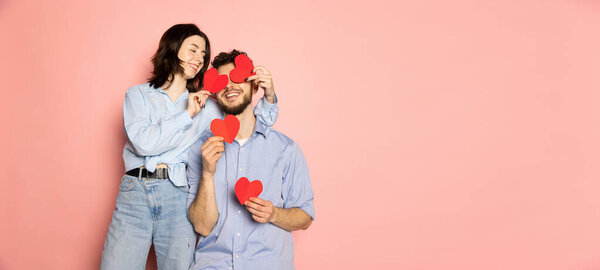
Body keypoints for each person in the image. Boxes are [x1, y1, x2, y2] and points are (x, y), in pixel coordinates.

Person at [100, 25, 279, 270]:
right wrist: (186, 116)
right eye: (193, 50)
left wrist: (269, 96)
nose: (199, 59)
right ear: (172, 48)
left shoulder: (206, 105)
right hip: (135, 192)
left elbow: (248, 124)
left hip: (178, 193)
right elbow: (143, 143)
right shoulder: (138, 95)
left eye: (203, 54)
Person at [187, 50, 314, 270]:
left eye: (238, 79)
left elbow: (305, 216)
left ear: (254, 86)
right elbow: (202, 227)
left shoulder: (286, 149)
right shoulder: (200, 149)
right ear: (215, 93)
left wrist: (274, 213)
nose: (230, 86)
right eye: (222, 82)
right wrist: (208, 173)